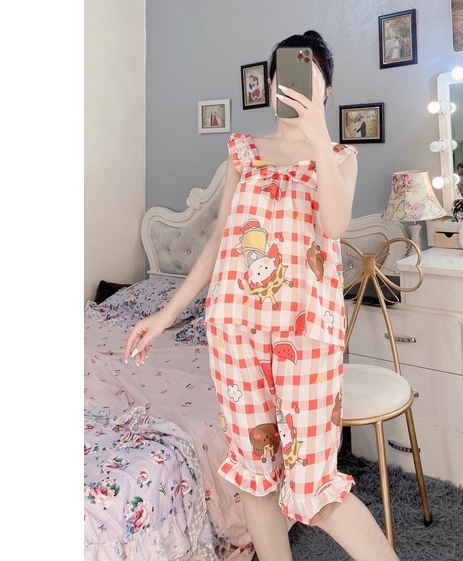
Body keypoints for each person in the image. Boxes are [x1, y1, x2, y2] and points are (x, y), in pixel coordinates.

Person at [124, 30, 398, 561]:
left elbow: (334, 225)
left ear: (325, 89)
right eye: (283, 74)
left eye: (307, 76)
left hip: (308, 333)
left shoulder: (340, 157)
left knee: (317, 488)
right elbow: (219, 240)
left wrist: (318, 137)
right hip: (234, 328)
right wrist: (165, 314)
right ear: (271, 84)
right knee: (255, 476)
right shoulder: (243, 151)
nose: (290, 85)